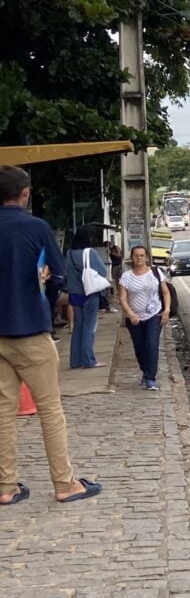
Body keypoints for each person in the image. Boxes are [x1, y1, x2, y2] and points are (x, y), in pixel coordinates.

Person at [0, 165, 102, 505]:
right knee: (49, 409)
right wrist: (43, 294)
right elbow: (57, 276)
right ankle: (64, 482)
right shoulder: (36, 228)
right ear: (25, 193)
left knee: (2, 411)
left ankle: (6, 486)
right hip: (30, 329)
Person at [118, 246, 170, 391]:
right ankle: (145, 370)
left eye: (142, 255)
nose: (139, 258)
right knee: (140, 347)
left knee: (151, 344)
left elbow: (165, 293)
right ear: (132, 258)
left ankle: (150, 378)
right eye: (136, 256)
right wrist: (130, 313)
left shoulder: (156, 273)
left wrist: (166, 310)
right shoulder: (126, 276)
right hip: (135, 318)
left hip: (154, 314)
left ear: (146, 257)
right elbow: (122, 298)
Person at [64, 226, 108, 369]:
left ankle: (75, 361)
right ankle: (89, 360)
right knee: (89, 327)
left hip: (74, 294)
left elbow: (66, 273)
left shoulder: (69, 253)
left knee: (78, 326)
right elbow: (102, 271)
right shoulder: (90, 253)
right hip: (89, 293)